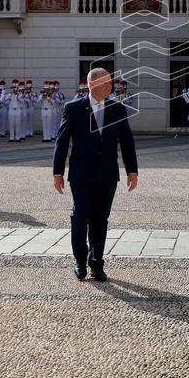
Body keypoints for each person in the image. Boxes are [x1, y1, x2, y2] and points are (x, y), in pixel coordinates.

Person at [53, 67, 139, 282]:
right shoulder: (73, 108)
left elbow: (126, 141)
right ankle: (80, 260)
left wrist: (132, 170)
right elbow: (62, 141)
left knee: (101, 219)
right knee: (80, 217)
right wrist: (57, 172)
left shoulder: (117, 109)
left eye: (110, 83)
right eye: (106, 83)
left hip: (107, 174)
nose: (110, 87)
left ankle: (96, 263)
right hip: (81, 174)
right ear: (92, 85)